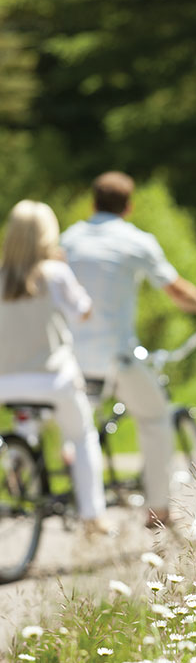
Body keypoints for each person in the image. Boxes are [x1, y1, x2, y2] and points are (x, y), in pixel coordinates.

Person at [60, 171, 196, 528]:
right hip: (116, 356)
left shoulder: (68, 240)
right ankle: (157, 509)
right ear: (129, 207)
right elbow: (175, 288)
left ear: (93, 203)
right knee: (154, 418)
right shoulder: (135, 241)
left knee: (77, 425)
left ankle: (71, 482)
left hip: (70, 357)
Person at [0, 200, 107, 535]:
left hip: (5, 380)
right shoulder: (55, 273)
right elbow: (83, 311)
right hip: (53, 378)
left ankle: (18, 464)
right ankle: (93, 516)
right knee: (82, 434)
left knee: (25, 420)